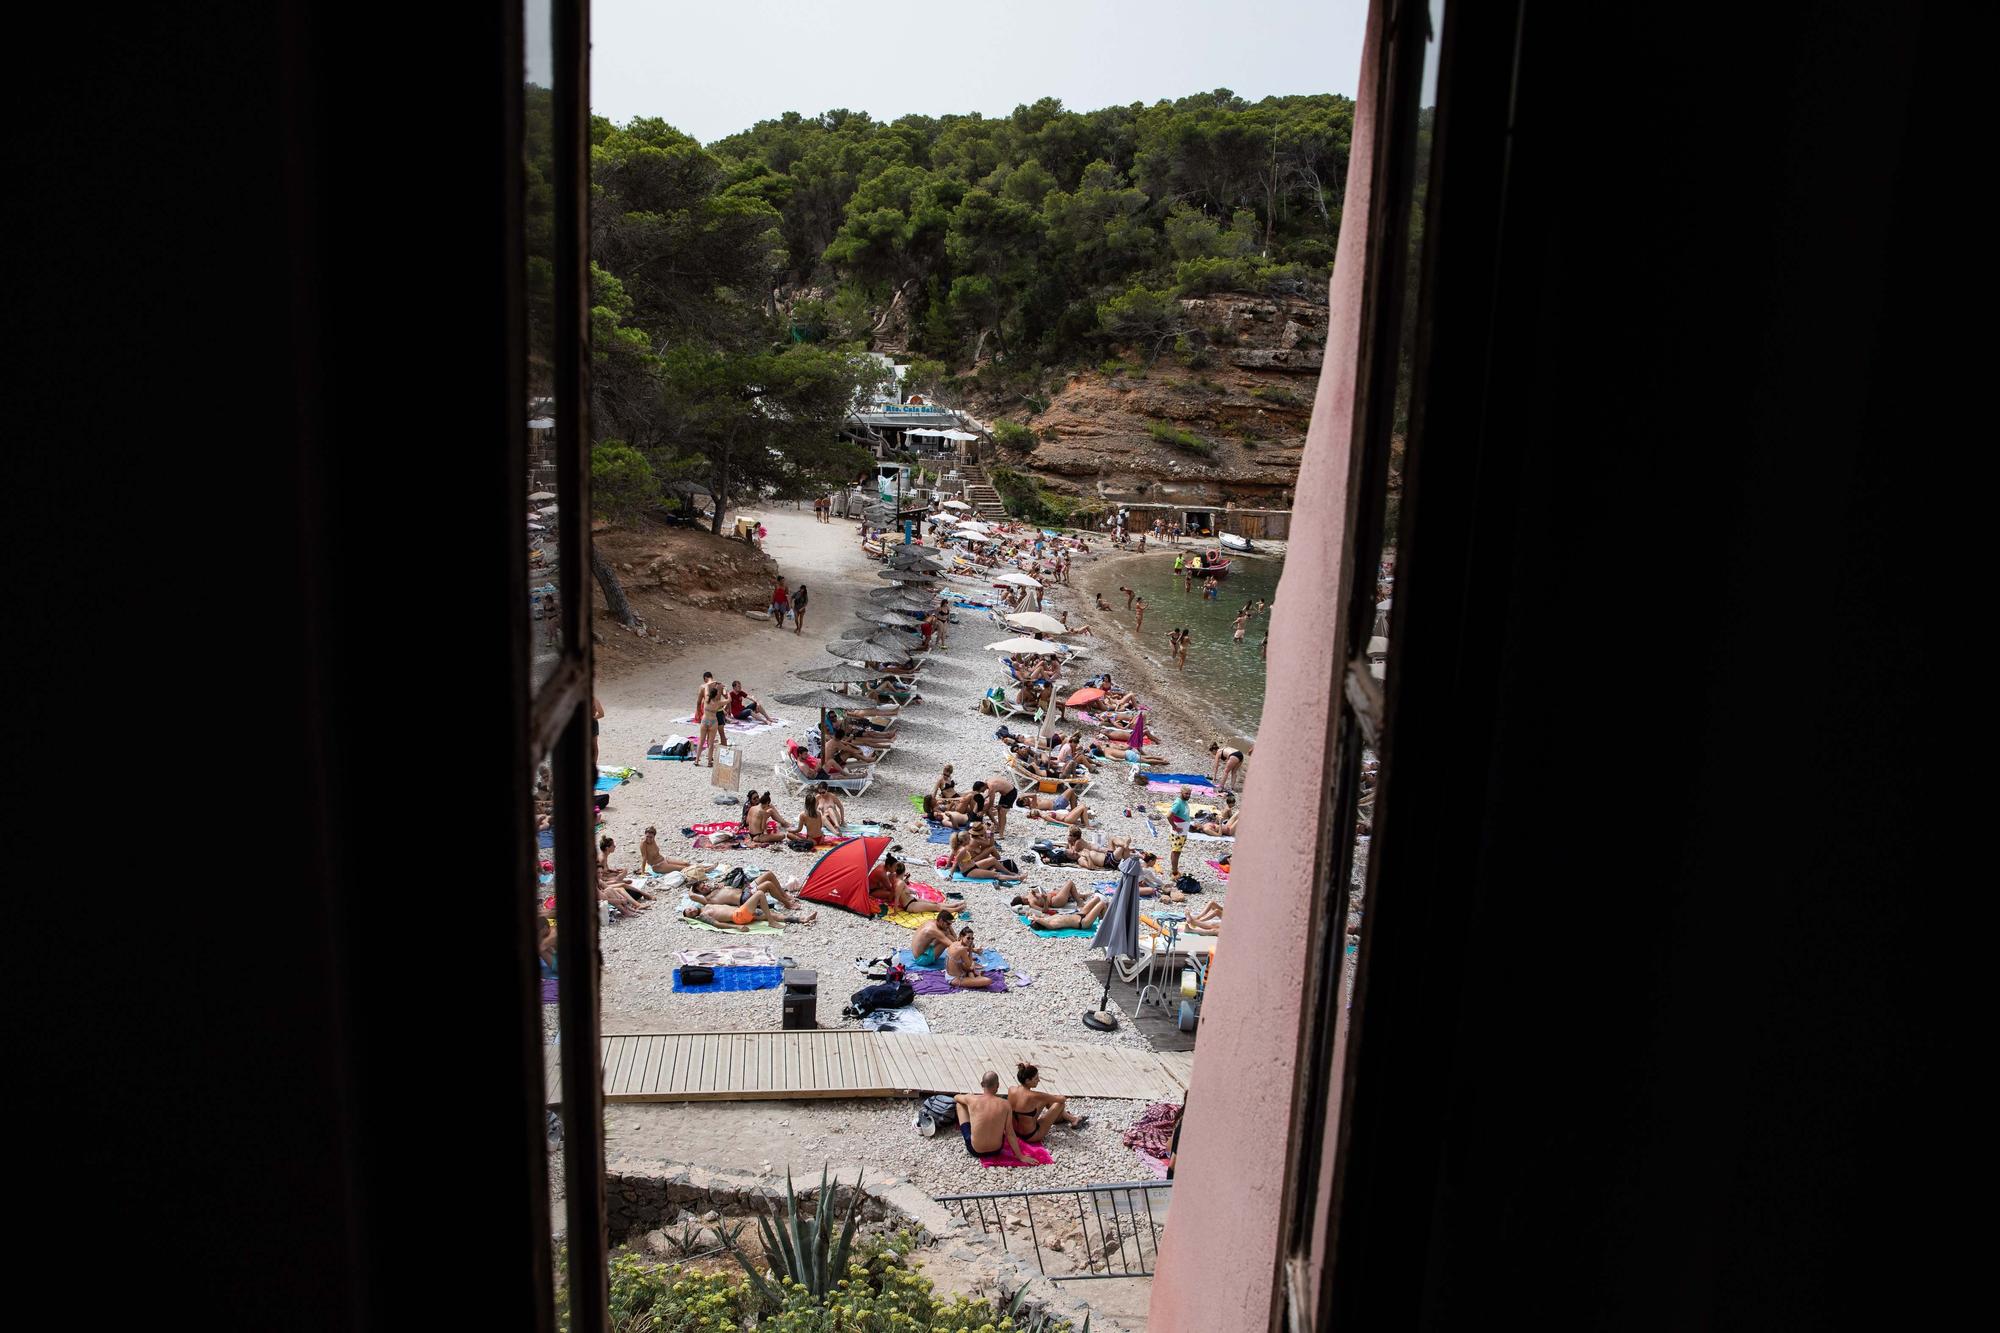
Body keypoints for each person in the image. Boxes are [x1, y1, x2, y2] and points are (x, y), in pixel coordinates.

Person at [954, 1072, 1026, 1159]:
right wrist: (1020, 1156)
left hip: (975, 1151)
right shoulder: (1005, 1104)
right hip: (996, 1150)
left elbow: (956, 1097)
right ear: (998, 1085)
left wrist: (968, 1098)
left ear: (982, 1084)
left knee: (960, 1104)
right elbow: (1010, 1133)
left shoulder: (972, 1099)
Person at [1009, 1063, 1086, 1143]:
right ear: (1028, 1080)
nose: (1039, 1080)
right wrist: (1051, 1097)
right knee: (1059, 1104)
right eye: (1036, 1078)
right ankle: (1071, 1119)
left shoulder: (1011, 1089)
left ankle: (1068, 1118)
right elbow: (1062, 1099)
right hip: (1031, 1136)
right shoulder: (1035, 1095)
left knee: (1046, 1101)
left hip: (1015, 1132)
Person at [1166, 784, 1193, 877]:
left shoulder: (1184, 801)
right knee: (1176, 852)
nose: (1188, 796)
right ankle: (1174, 872)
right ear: (1181, 792)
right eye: (1186, 794)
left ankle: (1174, 870)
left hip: (1182, 832)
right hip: (1178, 833)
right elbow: (1169, 816)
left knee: (1176, 851)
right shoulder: (1178, 803)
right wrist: (1174, 826)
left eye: (1189, 794)